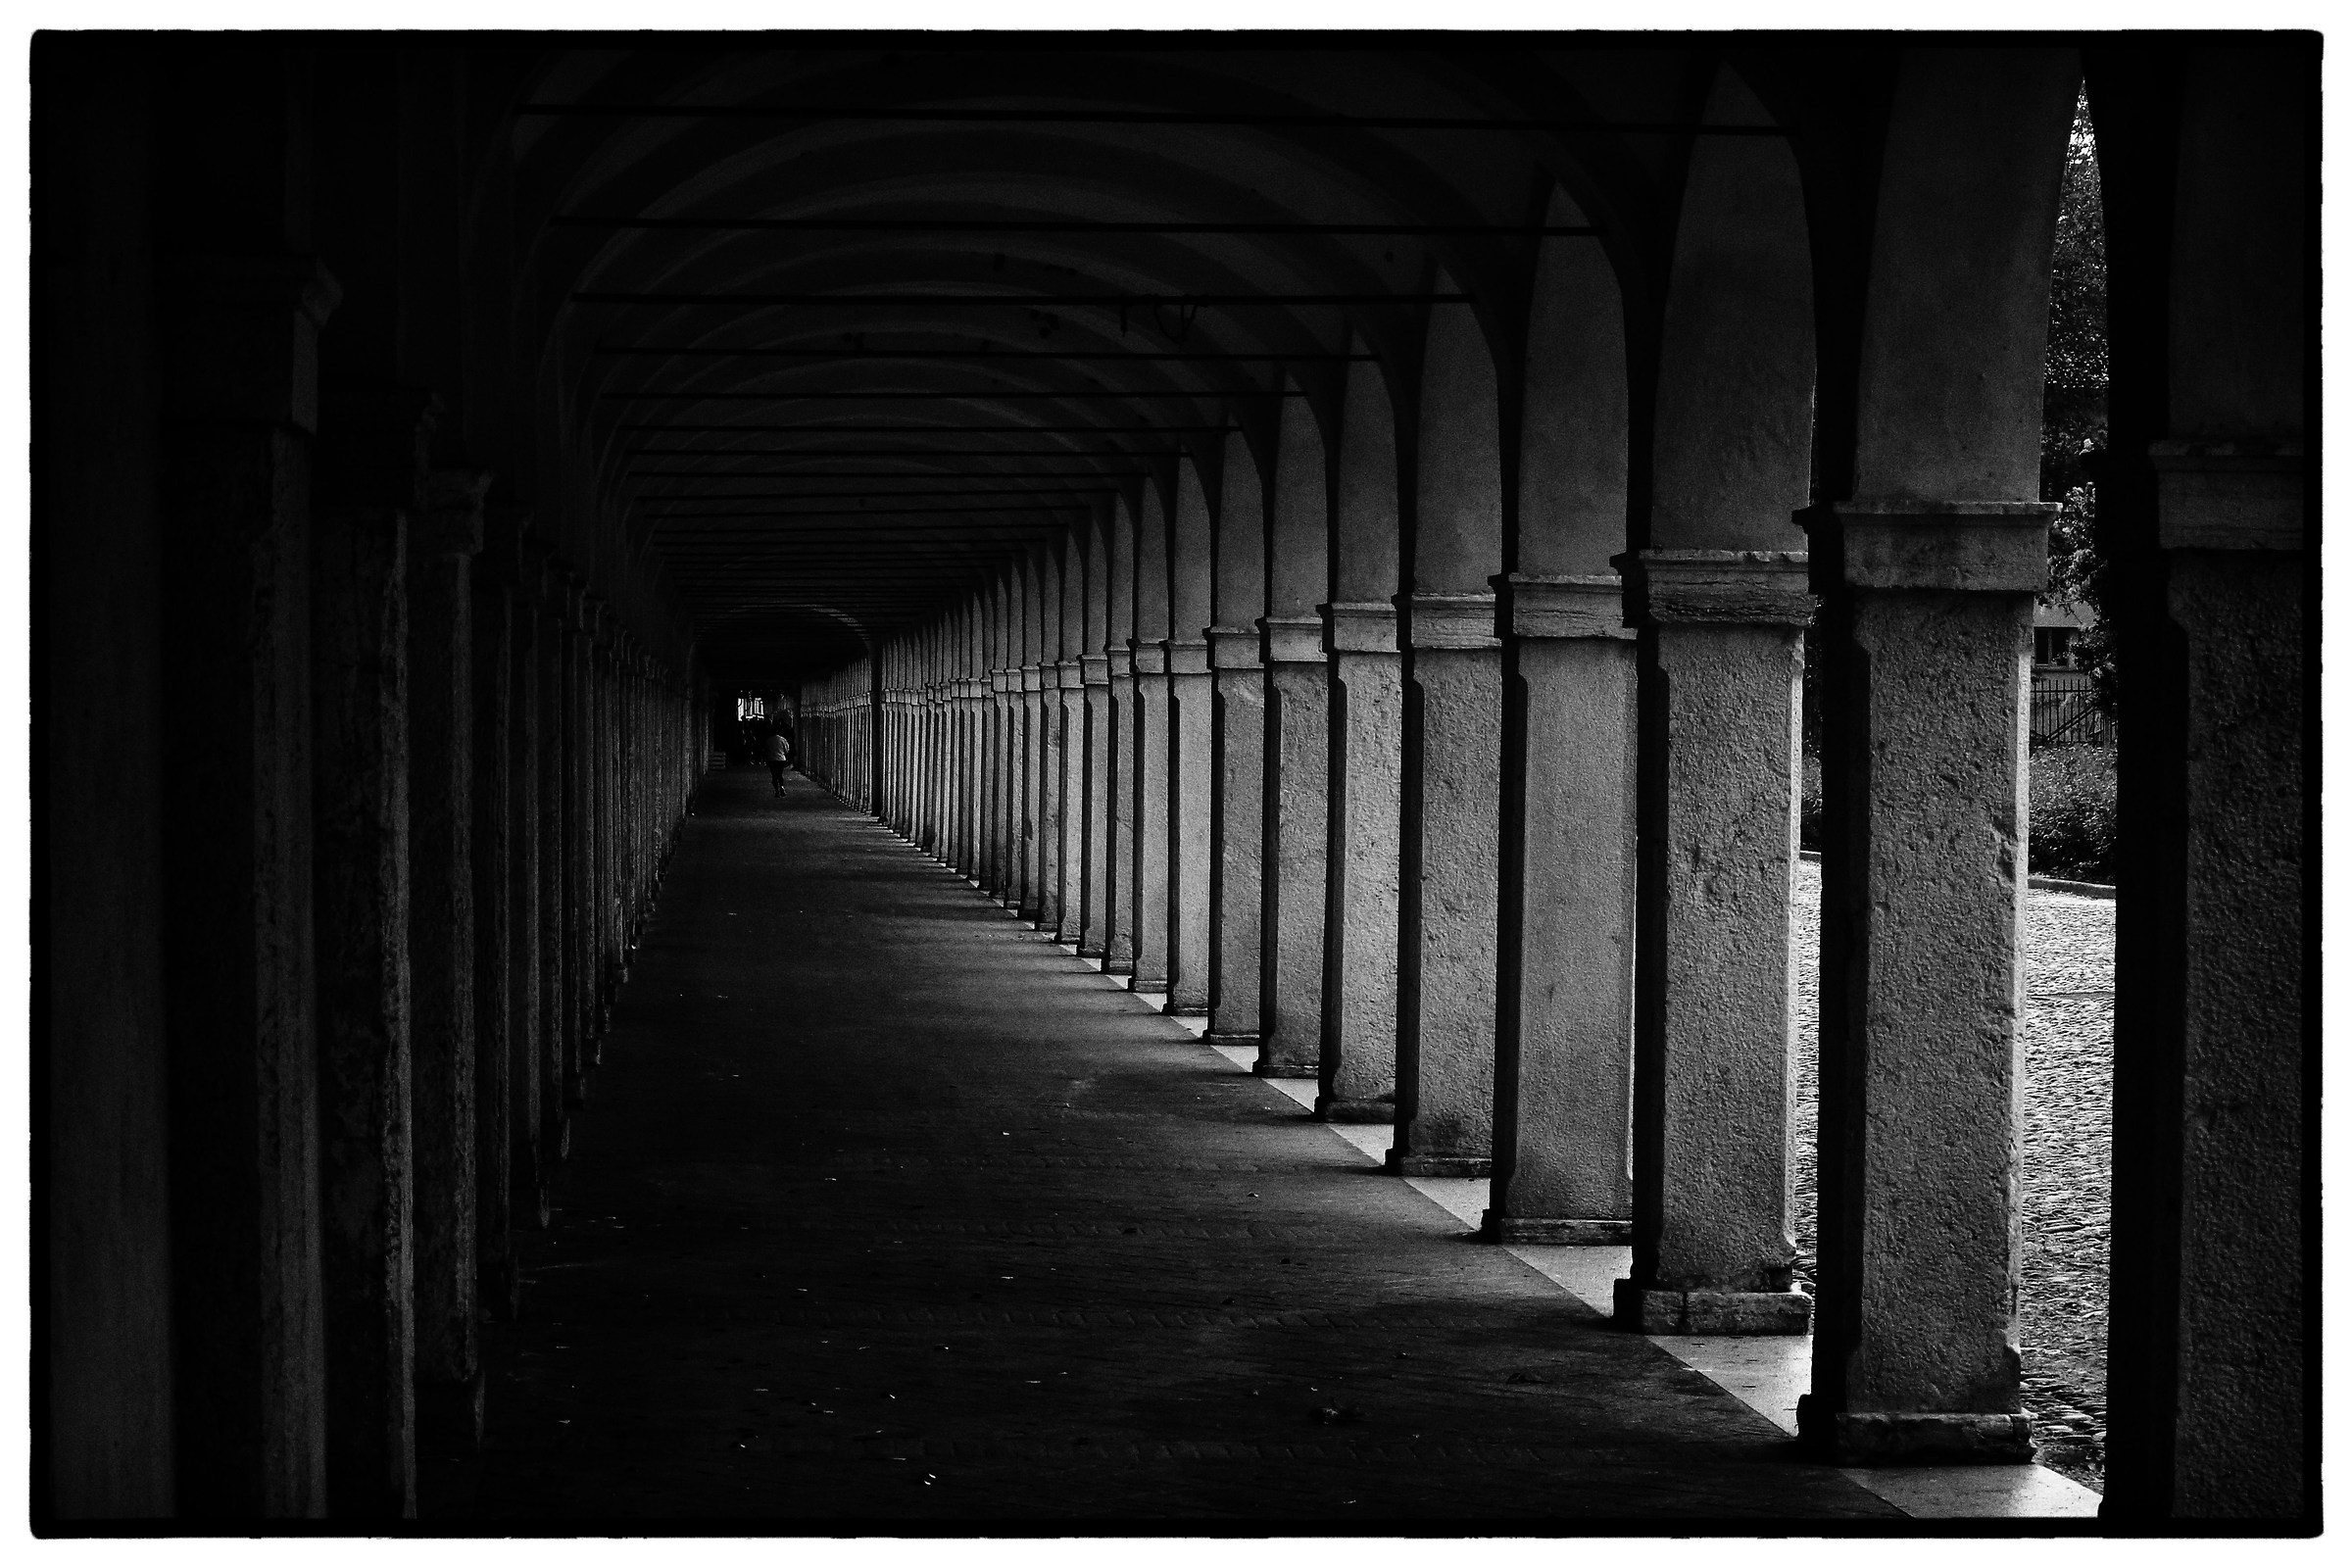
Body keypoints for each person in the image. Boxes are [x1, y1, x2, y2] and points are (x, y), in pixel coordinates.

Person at [758, 720, 791, 796]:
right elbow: (786, 750)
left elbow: (766, 750)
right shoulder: (782, 739)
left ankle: (776, 791)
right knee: (780, 774)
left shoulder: (769, 740)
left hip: (772, 759)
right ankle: (782, 787)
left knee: (774, 775)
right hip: (781, 759)